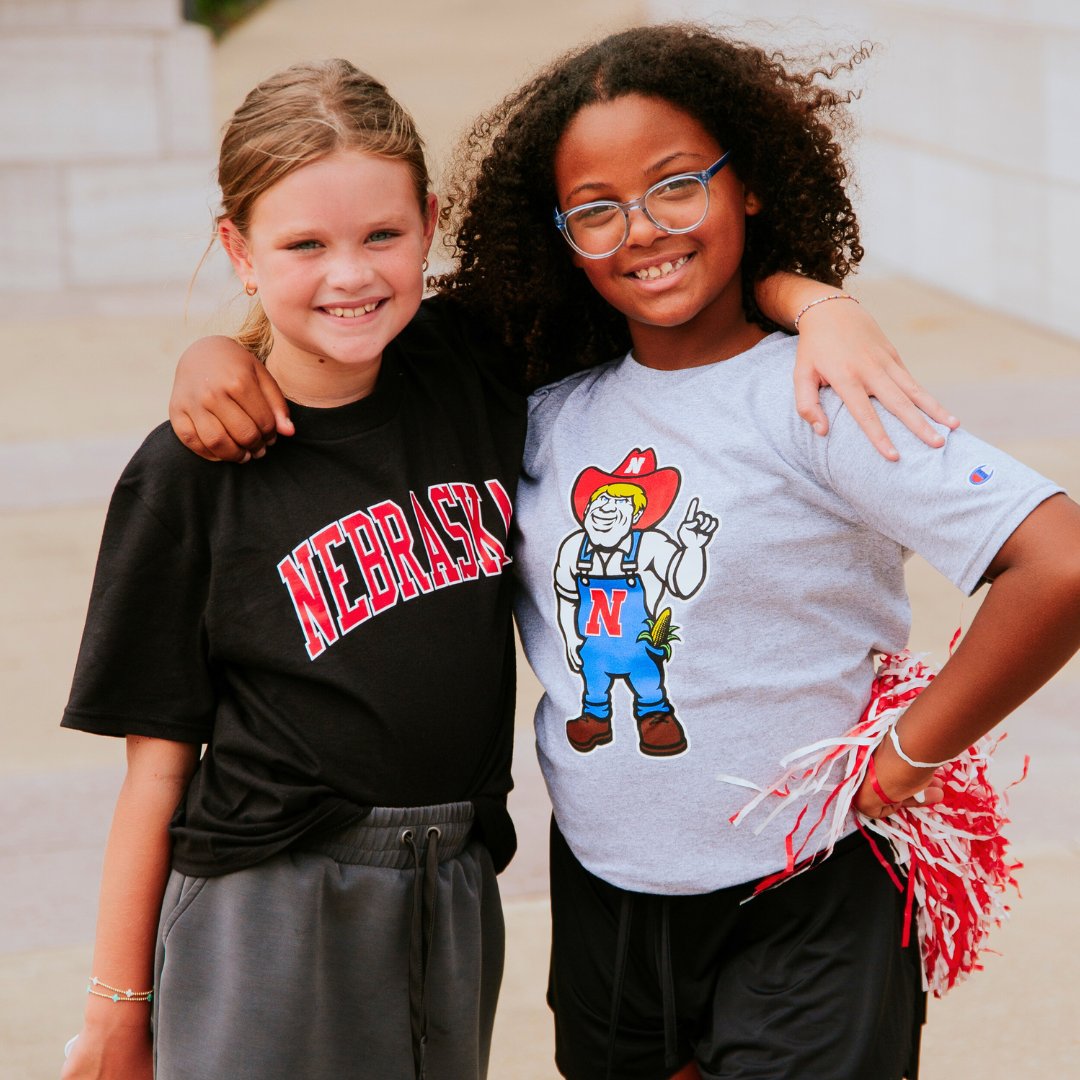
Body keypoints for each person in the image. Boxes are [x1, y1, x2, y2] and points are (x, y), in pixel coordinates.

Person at [159, 26, 1076, 1080]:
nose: (641, 230)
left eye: (678, 184)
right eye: (596, 209)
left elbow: (1058, 563)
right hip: (609, 900)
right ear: (560, 235)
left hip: (810, 887)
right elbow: (336, 317)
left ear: (751, 186)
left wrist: (904, 762)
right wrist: (219, 349)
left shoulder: (821, 395)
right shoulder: (542, 405)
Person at [60, 59, 523, 1080]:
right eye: (304, 244)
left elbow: (663, 274)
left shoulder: (474, 369)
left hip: (450, 887)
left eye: (383, 236)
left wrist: (813, 305)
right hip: (266, 905)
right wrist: (115, 1007)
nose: (350, 274)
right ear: (240, 249)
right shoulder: (192, 472)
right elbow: (156, 770)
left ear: (431, 221)